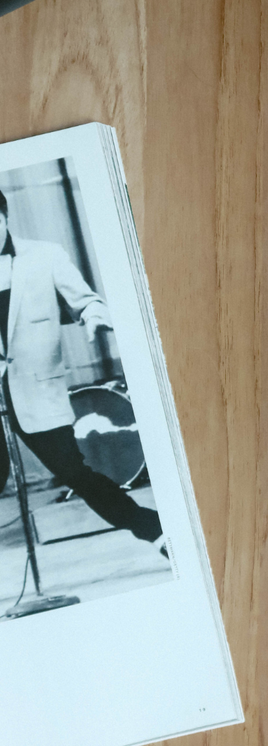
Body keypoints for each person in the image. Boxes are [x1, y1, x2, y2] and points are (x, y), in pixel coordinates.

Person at [0, 188, 165, 552]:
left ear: (5, 218)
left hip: (35, 391)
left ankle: (155, 531)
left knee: (75, 473)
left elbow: (87, 302)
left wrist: (93, 318)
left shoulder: (45, 256)